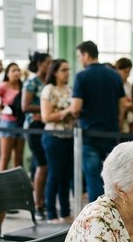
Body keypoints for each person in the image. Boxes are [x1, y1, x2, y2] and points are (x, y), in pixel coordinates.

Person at [69, 41, 125, 202]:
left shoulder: (81, 76)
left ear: (86, 55)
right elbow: (122, 105)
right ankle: (112, 211)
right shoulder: (114, 75)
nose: (80, 60)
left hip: (90, 134)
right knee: (110, 177)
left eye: (80, 56)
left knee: (93, 177)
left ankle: (97, 213)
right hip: (111, 133)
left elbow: (75, 108)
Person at [40, 59, 74, 222]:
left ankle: (65, 212)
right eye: (63, 70)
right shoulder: (49, 90)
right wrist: (66, 112)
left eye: (68, 69)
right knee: (55, 175)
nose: (67, 73)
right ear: (55, 72)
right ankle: (51, 213)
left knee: (66, 176)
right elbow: (46, 116)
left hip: (69, 136)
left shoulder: (69, 89)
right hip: (53, 137)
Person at [22, 52, 52, 219]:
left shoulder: (48, 82)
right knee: (42, 165)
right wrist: (46, 108)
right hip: (34, 126)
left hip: (46, 126)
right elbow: (25, 106)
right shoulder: (32, 82)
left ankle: (43, 201)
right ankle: (37, 204)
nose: (50, 66)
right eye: (48, 62)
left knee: (45, 166)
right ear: (40, 64)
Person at [0, 63, 25, 171]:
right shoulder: (4, 86)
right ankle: (1, 180)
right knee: (5, 157)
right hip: (7, 123)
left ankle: (17, 180)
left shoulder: (23, 87)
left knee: (18, 158)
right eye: (13, 70)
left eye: (18, 70)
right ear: (7, 73)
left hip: (21, 123)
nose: (16, 73)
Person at [115, 57, 133, 134]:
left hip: (128, 120)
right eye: (125, 72)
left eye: (129, 72)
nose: (128, 75)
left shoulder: (130, 86)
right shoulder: (114, 85)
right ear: (117, 70)